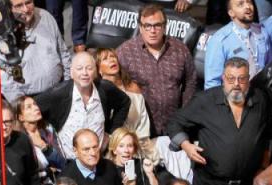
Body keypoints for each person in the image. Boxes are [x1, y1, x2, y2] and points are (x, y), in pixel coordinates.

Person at [168, 57, 272, 185]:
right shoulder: (205, 100)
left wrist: (264, 164)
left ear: (248, 79)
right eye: (231, 78)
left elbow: (268, 134)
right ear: (223, 78)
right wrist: (186, 145)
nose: (236, 85)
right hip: (210, 184)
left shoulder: (261, 100)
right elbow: (174, 122)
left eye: (241, 79)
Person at [115, 4, 198, 137]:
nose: (152, 31)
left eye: (157, 25)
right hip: (139, 128)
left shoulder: (180, 49)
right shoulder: (125, 52)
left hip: (174, 125)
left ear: (165, 26)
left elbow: (190, 81)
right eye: (147, 26)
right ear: (140, 28)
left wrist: (184, 112)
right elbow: (113, 83)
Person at [36, 52, 131, 160]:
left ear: (95, 72)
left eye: (89, 68)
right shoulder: (58, 93)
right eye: (79, 68)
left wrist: (110, 132)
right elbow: (31, 108)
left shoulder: (104, 88)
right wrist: (41, 139)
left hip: (99, 159)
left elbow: (125, 102)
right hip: (69, 162)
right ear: (71, 73)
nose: (84, 73)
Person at [0, 0, 72, 100]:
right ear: (7, 8)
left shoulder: (44, 16)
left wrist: (69, 83)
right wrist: (24, 105)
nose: (26, 9)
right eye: (19, 6)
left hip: (62, 88)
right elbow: (5, 82)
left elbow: (63, 53)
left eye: (28, 2)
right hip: (32, 101)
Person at [204, 0, 272, 90]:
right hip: (235, 96)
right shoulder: (220, 40)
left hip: (262, 94)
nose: (248, 6)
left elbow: (271, 67)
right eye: (240, 4)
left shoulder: (262, 32)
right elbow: (212, 83)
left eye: (249, 2)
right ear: (231, 13)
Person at [96, 49, 153, 155]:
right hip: (110, 150)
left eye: (113, 56)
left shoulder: (133, 88)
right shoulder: (97, 93)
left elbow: (143, 121)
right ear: (99, 69)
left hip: (137, 147)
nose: (111, 60)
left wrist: (135, 146)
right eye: (105, 59)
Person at [1, 101, 42, 185]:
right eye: (0, 122)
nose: (4, 126)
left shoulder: (21, 140)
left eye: (8, 122)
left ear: (13, 122)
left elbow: (33, 176)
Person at [14, 95, 65, 173]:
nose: (36, 108)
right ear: (21, 117)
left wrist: (43, 146)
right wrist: (48, 171)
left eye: (35, 104)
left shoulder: (48, 131)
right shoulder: (19, 140)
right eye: (29, 107)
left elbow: (62, 163)